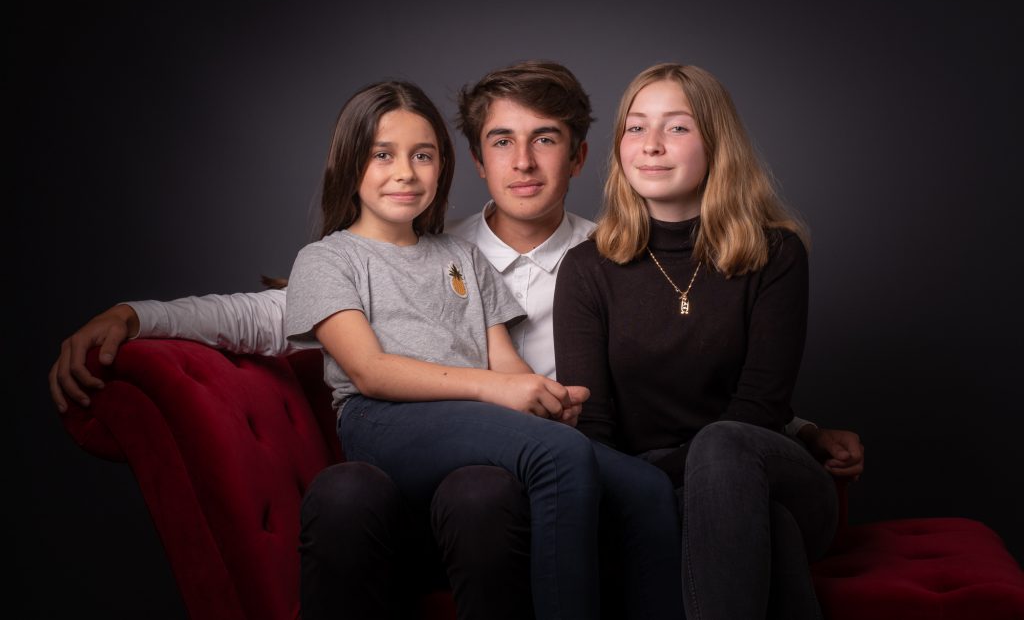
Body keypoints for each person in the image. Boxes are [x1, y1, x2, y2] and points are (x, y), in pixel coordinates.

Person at [49, 61, 863, 617]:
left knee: (686, 500)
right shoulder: (439, 254)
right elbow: (268, 316)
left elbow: (698, 374)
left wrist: (789, 431)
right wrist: (138, 313)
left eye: (547, 139)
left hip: (623, 472)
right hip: (499, 469)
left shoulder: (611, 252)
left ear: (581, 154)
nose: (525, 161)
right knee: (473, 490)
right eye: (503, 141)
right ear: (475, 160)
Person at [553, 62, 848, 620]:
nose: (652, 146)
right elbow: (593, 428)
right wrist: (660, 493)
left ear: (717, 142)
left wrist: (662, 487)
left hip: (771, 470)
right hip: (665, 491)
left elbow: (759, 411)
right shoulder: (587, 268)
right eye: (636, 127)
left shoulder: (775, 253)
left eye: (678, 128)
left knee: (725, 445)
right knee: (766, 529)